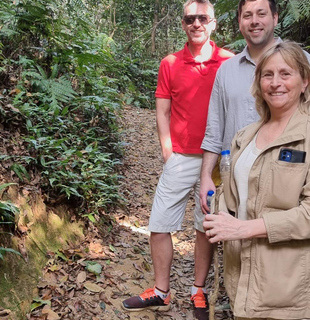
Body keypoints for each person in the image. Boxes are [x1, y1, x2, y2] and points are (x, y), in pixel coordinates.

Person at [202, 41, 310, 320]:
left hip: (294, 288)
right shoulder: (244, 137)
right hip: (246, 281)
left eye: (286, 74)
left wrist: (242, 229)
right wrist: (221, 214)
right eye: (267, 75)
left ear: (305, 80)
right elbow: (233, 196)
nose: (275, 83)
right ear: (258, 83)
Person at [122, 1, 233, 320]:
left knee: (204, 225)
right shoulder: (169, 63)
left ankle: (198, 291)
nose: (196, 23)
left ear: (213, 23)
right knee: (159, 223)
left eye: (202, 18)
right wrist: (167, 150)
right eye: (190, 19)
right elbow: (162, 109)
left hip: (216, 160)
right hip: (181, 155)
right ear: (183, 24)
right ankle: (160, 292)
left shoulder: (228, 62)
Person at [199, 0, 310, 214]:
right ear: (239, 22)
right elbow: (214, 131)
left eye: (261, 13)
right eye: (247, 15)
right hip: (236, 184)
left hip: (289, 182)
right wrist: (205, 177)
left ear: (275, 18)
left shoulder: (303, 62)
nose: (254, 21)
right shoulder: (227, 71)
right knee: (237, 243)